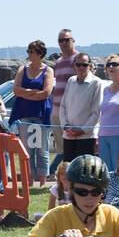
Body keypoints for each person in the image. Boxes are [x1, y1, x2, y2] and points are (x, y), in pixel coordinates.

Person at [10, 40, 55, 187]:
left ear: (40, 54)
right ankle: (28, 180)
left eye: (32, 51)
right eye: (28, 51)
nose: (29, 54)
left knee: (42, 149)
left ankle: (42, 182)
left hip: (41, 114)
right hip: (24, 113)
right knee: (27, 149)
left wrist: (26, 93)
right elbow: (16, 90)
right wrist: (33, 92)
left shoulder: (48, 70)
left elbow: (46, 93)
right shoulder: (22, 69)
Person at [59, 52, 101, 160]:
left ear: (90, 66)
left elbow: (97, 112)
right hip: (68, 135)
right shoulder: (71, 81)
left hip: (87, 136)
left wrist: (82, 130)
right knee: (68, 169)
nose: (81, 67)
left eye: (85, 65)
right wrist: (66, 126)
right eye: (78, 65)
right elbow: (63, 106)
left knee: (85, 170)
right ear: (74, 65)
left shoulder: (97, 83)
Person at [49, 28, 79, 173]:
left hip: (71, 109)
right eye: (61, 40)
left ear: (73, 40)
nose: (64, 43)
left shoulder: (79, 60)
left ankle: (66, 172)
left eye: (67, 40)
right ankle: (64, 174)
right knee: (61, 146)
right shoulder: (59, 61)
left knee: (72, 144)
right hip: (56, 108)